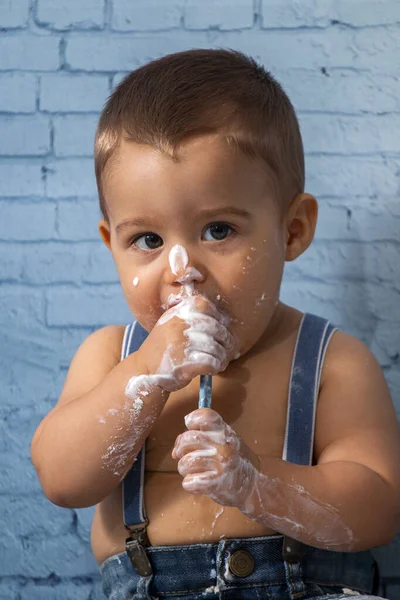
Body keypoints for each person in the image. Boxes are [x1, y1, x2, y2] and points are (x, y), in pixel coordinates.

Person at [31, 49, 400, 600]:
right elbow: (62, 481)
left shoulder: (331, 361)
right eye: (148, 241)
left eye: (219, 230)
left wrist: (258, 485)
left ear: (293, 230)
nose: (184, 273)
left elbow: (377, 509)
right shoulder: (111, 356)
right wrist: (145, 375)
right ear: (113, 245)